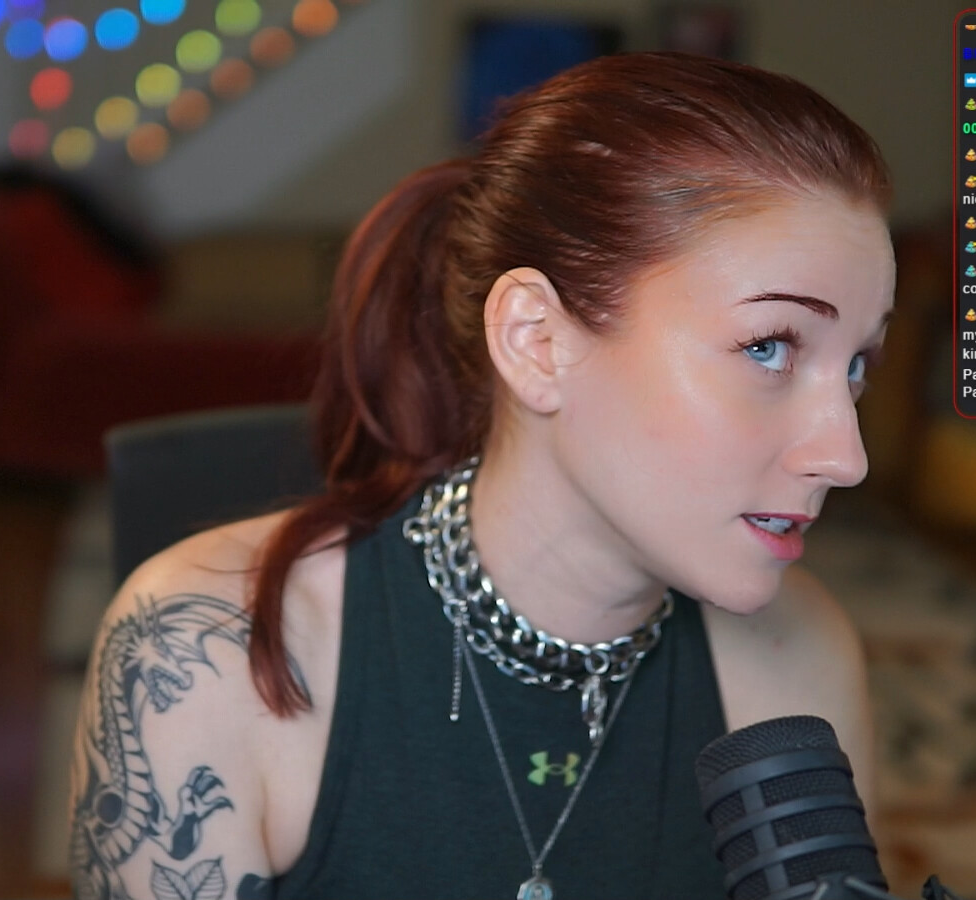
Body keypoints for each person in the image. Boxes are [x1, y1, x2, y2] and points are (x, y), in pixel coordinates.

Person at [69, 51, 894, 900]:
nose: (845, 455)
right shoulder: (201, 660)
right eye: (769, 347)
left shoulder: (801, 657)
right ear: (537, 341)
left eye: (856, 365)